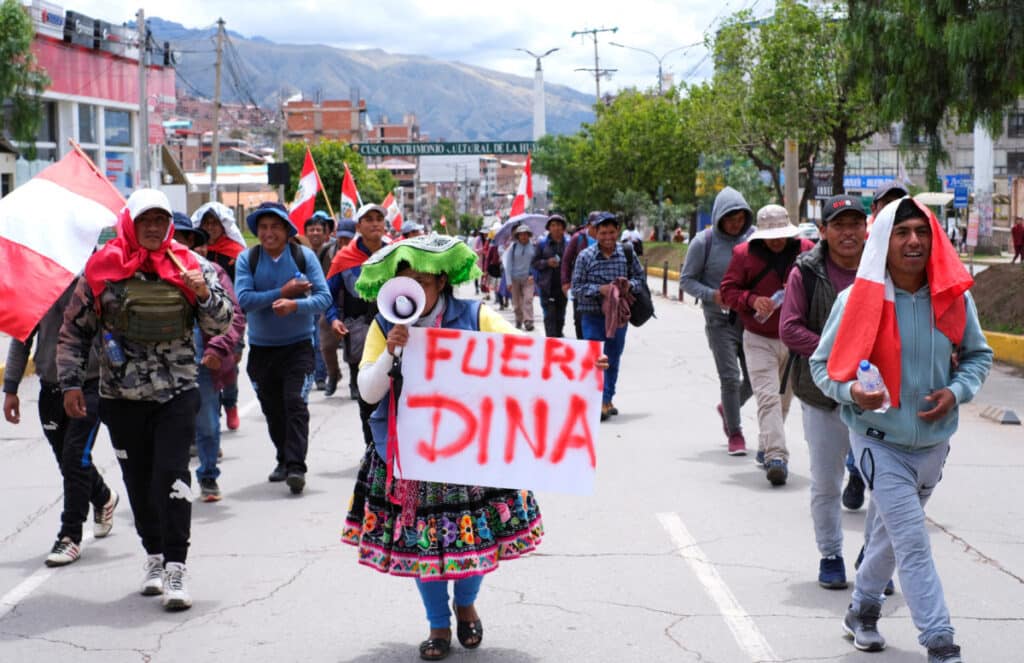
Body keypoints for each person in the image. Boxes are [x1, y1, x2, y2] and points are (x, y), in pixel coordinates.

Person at [341, 235, 563, 661]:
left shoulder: (474, 315)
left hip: (471, 452)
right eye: (403, 281)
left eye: (422, 281)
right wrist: (390, 352)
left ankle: (466, 603)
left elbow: (523, 347)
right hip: (411, 457)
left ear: (441, 282)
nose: (412, 290)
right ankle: (437, 625)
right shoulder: (383, 326)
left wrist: (576, 362)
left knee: (476, 542)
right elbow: (369, 393)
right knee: (423, 545)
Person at [811, 197, 991, 663]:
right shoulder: (856, 300)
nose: (914, 241)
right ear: (883, 241)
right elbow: (821, 366)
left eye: (922, 232)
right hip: (878, 441)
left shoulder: (953, 297)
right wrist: (852, 393)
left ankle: (862, 611)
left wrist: (957, 391)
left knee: (892, 536)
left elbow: (977, 355)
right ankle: (940, 641)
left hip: (934, 445)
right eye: (902, 231)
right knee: (911, 539)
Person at [58, 189, 233, 610]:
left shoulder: (192, 265)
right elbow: (74, 330)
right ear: (130, 224)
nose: (153, 228)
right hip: (120, 396)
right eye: (145, 221)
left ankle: (176, 566)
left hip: (176, 392)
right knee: (138, 484)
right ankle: (153, 556)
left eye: (160, 220)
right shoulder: (103, 269)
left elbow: (223, 319)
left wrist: (204, 294)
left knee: (172, 478)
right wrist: (70, 383)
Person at [779, 195, 867, 587]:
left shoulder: (884, 268)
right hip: (821, 395)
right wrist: (837, 355)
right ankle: (830, 554)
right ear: (824, 232)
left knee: (886, 487)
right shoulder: (806, 272)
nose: (848, 233)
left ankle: (874, 561)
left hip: (876, 398)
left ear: (866, 229)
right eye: (839, 225)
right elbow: (790, 328)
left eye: (855, 224)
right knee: (827, 482)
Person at [4, 280, 118, 567]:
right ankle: (104, 497)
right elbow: (21, 339)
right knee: (69, 461)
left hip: (89, 386)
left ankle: (70, 536)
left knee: (74, 458)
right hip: (51, 389)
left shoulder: (95, 283)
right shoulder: (35, 286)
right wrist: (11, 388)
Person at [234, 202, 331, 495]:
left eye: (275, 226)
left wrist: (295, 306)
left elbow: (324, 298)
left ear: (287, 230)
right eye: (263, 227)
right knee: (273, 411)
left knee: (295, 405)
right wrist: (282, 293)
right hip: (262, 350)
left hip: (299, 348)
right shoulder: (247, 259)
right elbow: (244, 300)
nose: (268, 233)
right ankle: (283, 458)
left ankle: (296, 467)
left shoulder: (304, 257)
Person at [720, 205, 814, 485]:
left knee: (784, 401)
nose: (776, 241)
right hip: (758, 336)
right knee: (767, 397)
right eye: (771, 235)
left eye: (781, 235)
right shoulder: (743, 254)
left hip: (796, 337)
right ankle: (777, 456)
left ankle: (765, 444)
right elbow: (727, 290)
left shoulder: (807, 249)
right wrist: (750, 300)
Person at [172, 214, 246, 502]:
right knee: (173, 429)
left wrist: (217, 348)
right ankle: (175, 481)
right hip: (165, 369)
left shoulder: (212, 271)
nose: (177, 244)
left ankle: (208, 476)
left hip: (204, 365)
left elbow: (233, 315)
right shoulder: (149, 277)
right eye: (172, 237)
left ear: (192, 241)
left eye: (183, 238)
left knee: (208, 425)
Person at [679, 187, 755, 456]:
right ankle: (735, 432)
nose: (736, 223)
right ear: (719, 217)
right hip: (719, 321)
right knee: (730, 378)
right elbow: (686, 280)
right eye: (730, 217)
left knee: (756, 378)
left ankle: (728, 407)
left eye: (740, 217)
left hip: (750, 319)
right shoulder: (704, 242)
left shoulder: (754, 238)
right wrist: (713, 295)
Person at [572, 212, 645, 421]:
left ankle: (607, 399)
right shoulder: (585, 256)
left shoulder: (626, 254)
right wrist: (601, 289)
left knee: (613, 358)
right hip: (592, 316)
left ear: (618, 232)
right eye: (603, 232)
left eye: (611, 232)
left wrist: (628, 286)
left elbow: (640, 279)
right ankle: (597, 400)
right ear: (595, 233)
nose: (607, 237)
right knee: (596, 359)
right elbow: (576, 289)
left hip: (619, 316)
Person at [325, 203, 390, 437]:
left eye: (378, 219)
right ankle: (371, 446)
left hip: (393, 331)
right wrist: (333, 319)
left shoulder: (396, 253)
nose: (375, 223)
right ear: (359, 226)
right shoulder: (344, 258)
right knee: (366, 395)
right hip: (359, 332)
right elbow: (328, 294)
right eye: (369, 219)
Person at [191, 202, 247, 431]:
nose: (211, 227)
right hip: (201, 322)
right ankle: (210, 423)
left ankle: (231, 403)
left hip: (231, 318)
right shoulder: (192, 254)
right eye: (207, 223)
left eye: (215, 223)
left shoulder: (235, 254)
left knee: (229, 367)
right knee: (204, 376)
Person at [319, 218, 356, 396]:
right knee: (326, 345)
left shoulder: (359, 255)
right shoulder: (326, 252)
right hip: (329, 304)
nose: (344, 243)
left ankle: (355, 381)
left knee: (354, 346)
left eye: (348, 239)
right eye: (341, 239)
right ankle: (333, 374)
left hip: (351, 306)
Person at [304, 212, 334, 391]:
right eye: (311, 230)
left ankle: (322, 375)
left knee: (322, 342)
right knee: (310, 342)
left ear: (325, 233)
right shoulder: (300, 253)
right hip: (305, 304)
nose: (315, 233)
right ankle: (315, 374)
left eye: (318, 230)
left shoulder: (331, 252)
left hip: (325, 303)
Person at [561, 215, 599, 339]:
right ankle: (582, 345)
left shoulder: (604, 238)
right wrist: (565, 282)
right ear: (588, 226)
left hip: (600, 285)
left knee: (598, 319)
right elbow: (566, 260)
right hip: (580, 284)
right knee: (579, 318)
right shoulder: (578, 238)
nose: (598, 229)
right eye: (595, 226)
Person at [532, 214, 569, 337]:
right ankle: (551, 342)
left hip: (563, 286)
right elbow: (534, 263)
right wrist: (547, 262)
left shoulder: (569, 243)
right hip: (546, 286)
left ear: (563, 228)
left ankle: (558, 336)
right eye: (553, 225)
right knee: (549, 316)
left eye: (559, 225)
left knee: (560, 316)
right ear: (549, 228)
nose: (556, 228)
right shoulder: (542, 244)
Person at [503, 224, 536, 330]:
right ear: (518, 236)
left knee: (528, 299)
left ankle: (528, 321)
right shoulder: (512, 248)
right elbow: (508, 265)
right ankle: (519, 319)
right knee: (516, 304)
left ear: (528, 235)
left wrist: (533, 274)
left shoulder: (533, 247)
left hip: (528, 278)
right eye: (521, 235)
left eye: (525, 234)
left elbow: (536, 263)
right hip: (514, 279)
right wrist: (508, 281)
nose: (523, 237)